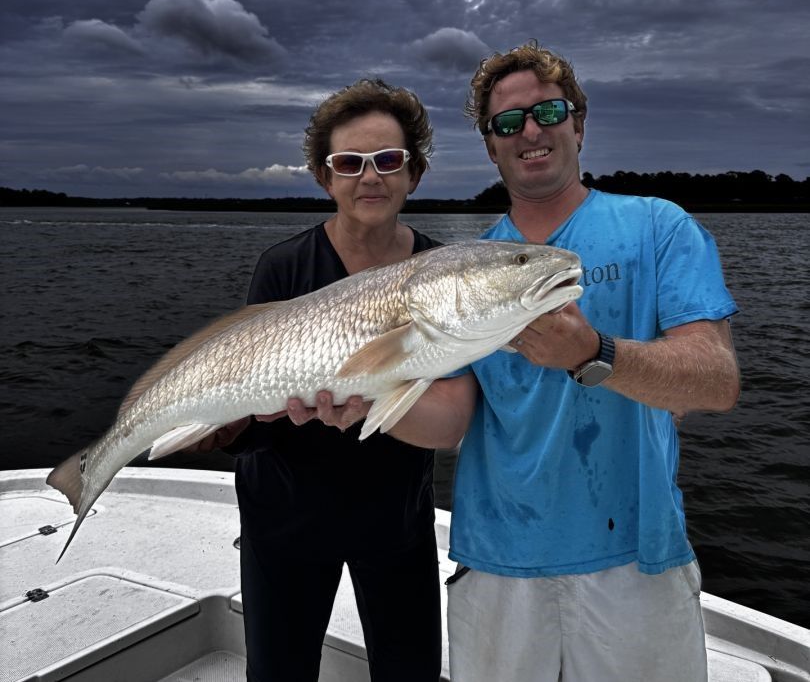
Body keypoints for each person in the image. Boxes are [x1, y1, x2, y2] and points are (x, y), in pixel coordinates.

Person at [312, 42, 741, 682]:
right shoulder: (461, 268)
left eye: (547, 112)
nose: (529, 133)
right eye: (507, 124)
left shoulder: (658, 227)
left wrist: (595, 353)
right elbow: (450, 422)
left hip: (637, 561)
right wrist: (365, 397)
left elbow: (715, 380)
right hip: (498, 565)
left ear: (579, 123)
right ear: (491, 146)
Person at [199, 79, 443, 682]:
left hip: (397, 518)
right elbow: (249, 405)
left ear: (413, 174)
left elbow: (450, 402)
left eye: (388, 160)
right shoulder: (283, 267)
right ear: (324, 177)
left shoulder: (443, 275)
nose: (371, 177)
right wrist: (225, 429)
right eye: (349, 163)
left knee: (410, 672)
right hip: (284, 518)